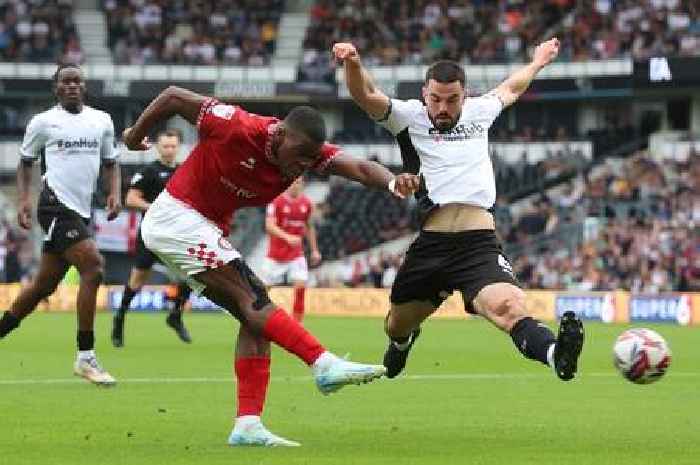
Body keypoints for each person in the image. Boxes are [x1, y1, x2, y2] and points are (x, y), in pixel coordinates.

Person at [122, 85, 419, 446]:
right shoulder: (237, 125)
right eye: (298, 157)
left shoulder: (305, 152)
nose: (302, 167)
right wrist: (136, 135)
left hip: (200, 227)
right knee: (255, 301)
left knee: (254, 317)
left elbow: (356, 166)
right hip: (178, 217)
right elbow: (172, 96)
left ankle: (248, 423)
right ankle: (323, 364)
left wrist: (392, 182)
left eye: (310, 161)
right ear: (279, 134)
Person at [332, 38, 584, 382]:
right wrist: (353, 62)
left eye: (452, 100)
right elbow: (365, 96)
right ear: (425, 94)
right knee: (396, 323)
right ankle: (403, 343)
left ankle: (557, 355)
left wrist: (538, 61)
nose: (443, 108)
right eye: (435, 99)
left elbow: (513, 86)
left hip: (477, 244)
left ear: (464, 95)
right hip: (431, 246)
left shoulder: (481, 112)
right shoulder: (408, 117)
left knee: (508, 308)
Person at [0, 63, 121, 386]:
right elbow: (25, 163)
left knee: (43, 286)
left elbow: (111, 163)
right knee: (94, 268)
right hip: (54, 207)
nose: (71, 86)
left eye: (77, 81)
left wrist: (114, 194)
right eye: (65, 81)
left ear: (84, 86)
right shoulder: (43, 122)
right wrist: (24, 201)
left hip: (81, 211)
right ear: (56, 87)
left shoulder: (102, 121)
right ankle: (86, 356)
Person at [112, 129, 192, 347]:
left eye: (173, 146)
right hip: (151, 234)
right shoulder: (149, 171)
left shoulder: (184, 171)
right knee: (137, 280)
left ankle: (175, 315)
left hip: (176, 235)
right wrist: (155, 209)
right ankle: (119, 319)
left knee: (193, 275)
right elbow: (131, 199)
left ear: (178, 147)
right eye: (166, 146)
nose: (169, 150)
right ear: (158, 147)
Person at [260, 177, 320, 323]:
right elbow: (269, 226)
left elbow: (310, 227)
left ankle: (297, 325)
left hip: (296, 255)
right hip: (275, 256)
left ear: (302, 184)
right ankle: (257, 320)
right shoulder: (277, 202)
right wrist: (287, 237)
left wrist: (314, 250)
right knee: (262, 292)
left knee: (301, 286)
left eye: (298, 182)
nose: (295, 185)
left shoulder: (307, 203)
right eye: (293, 182)